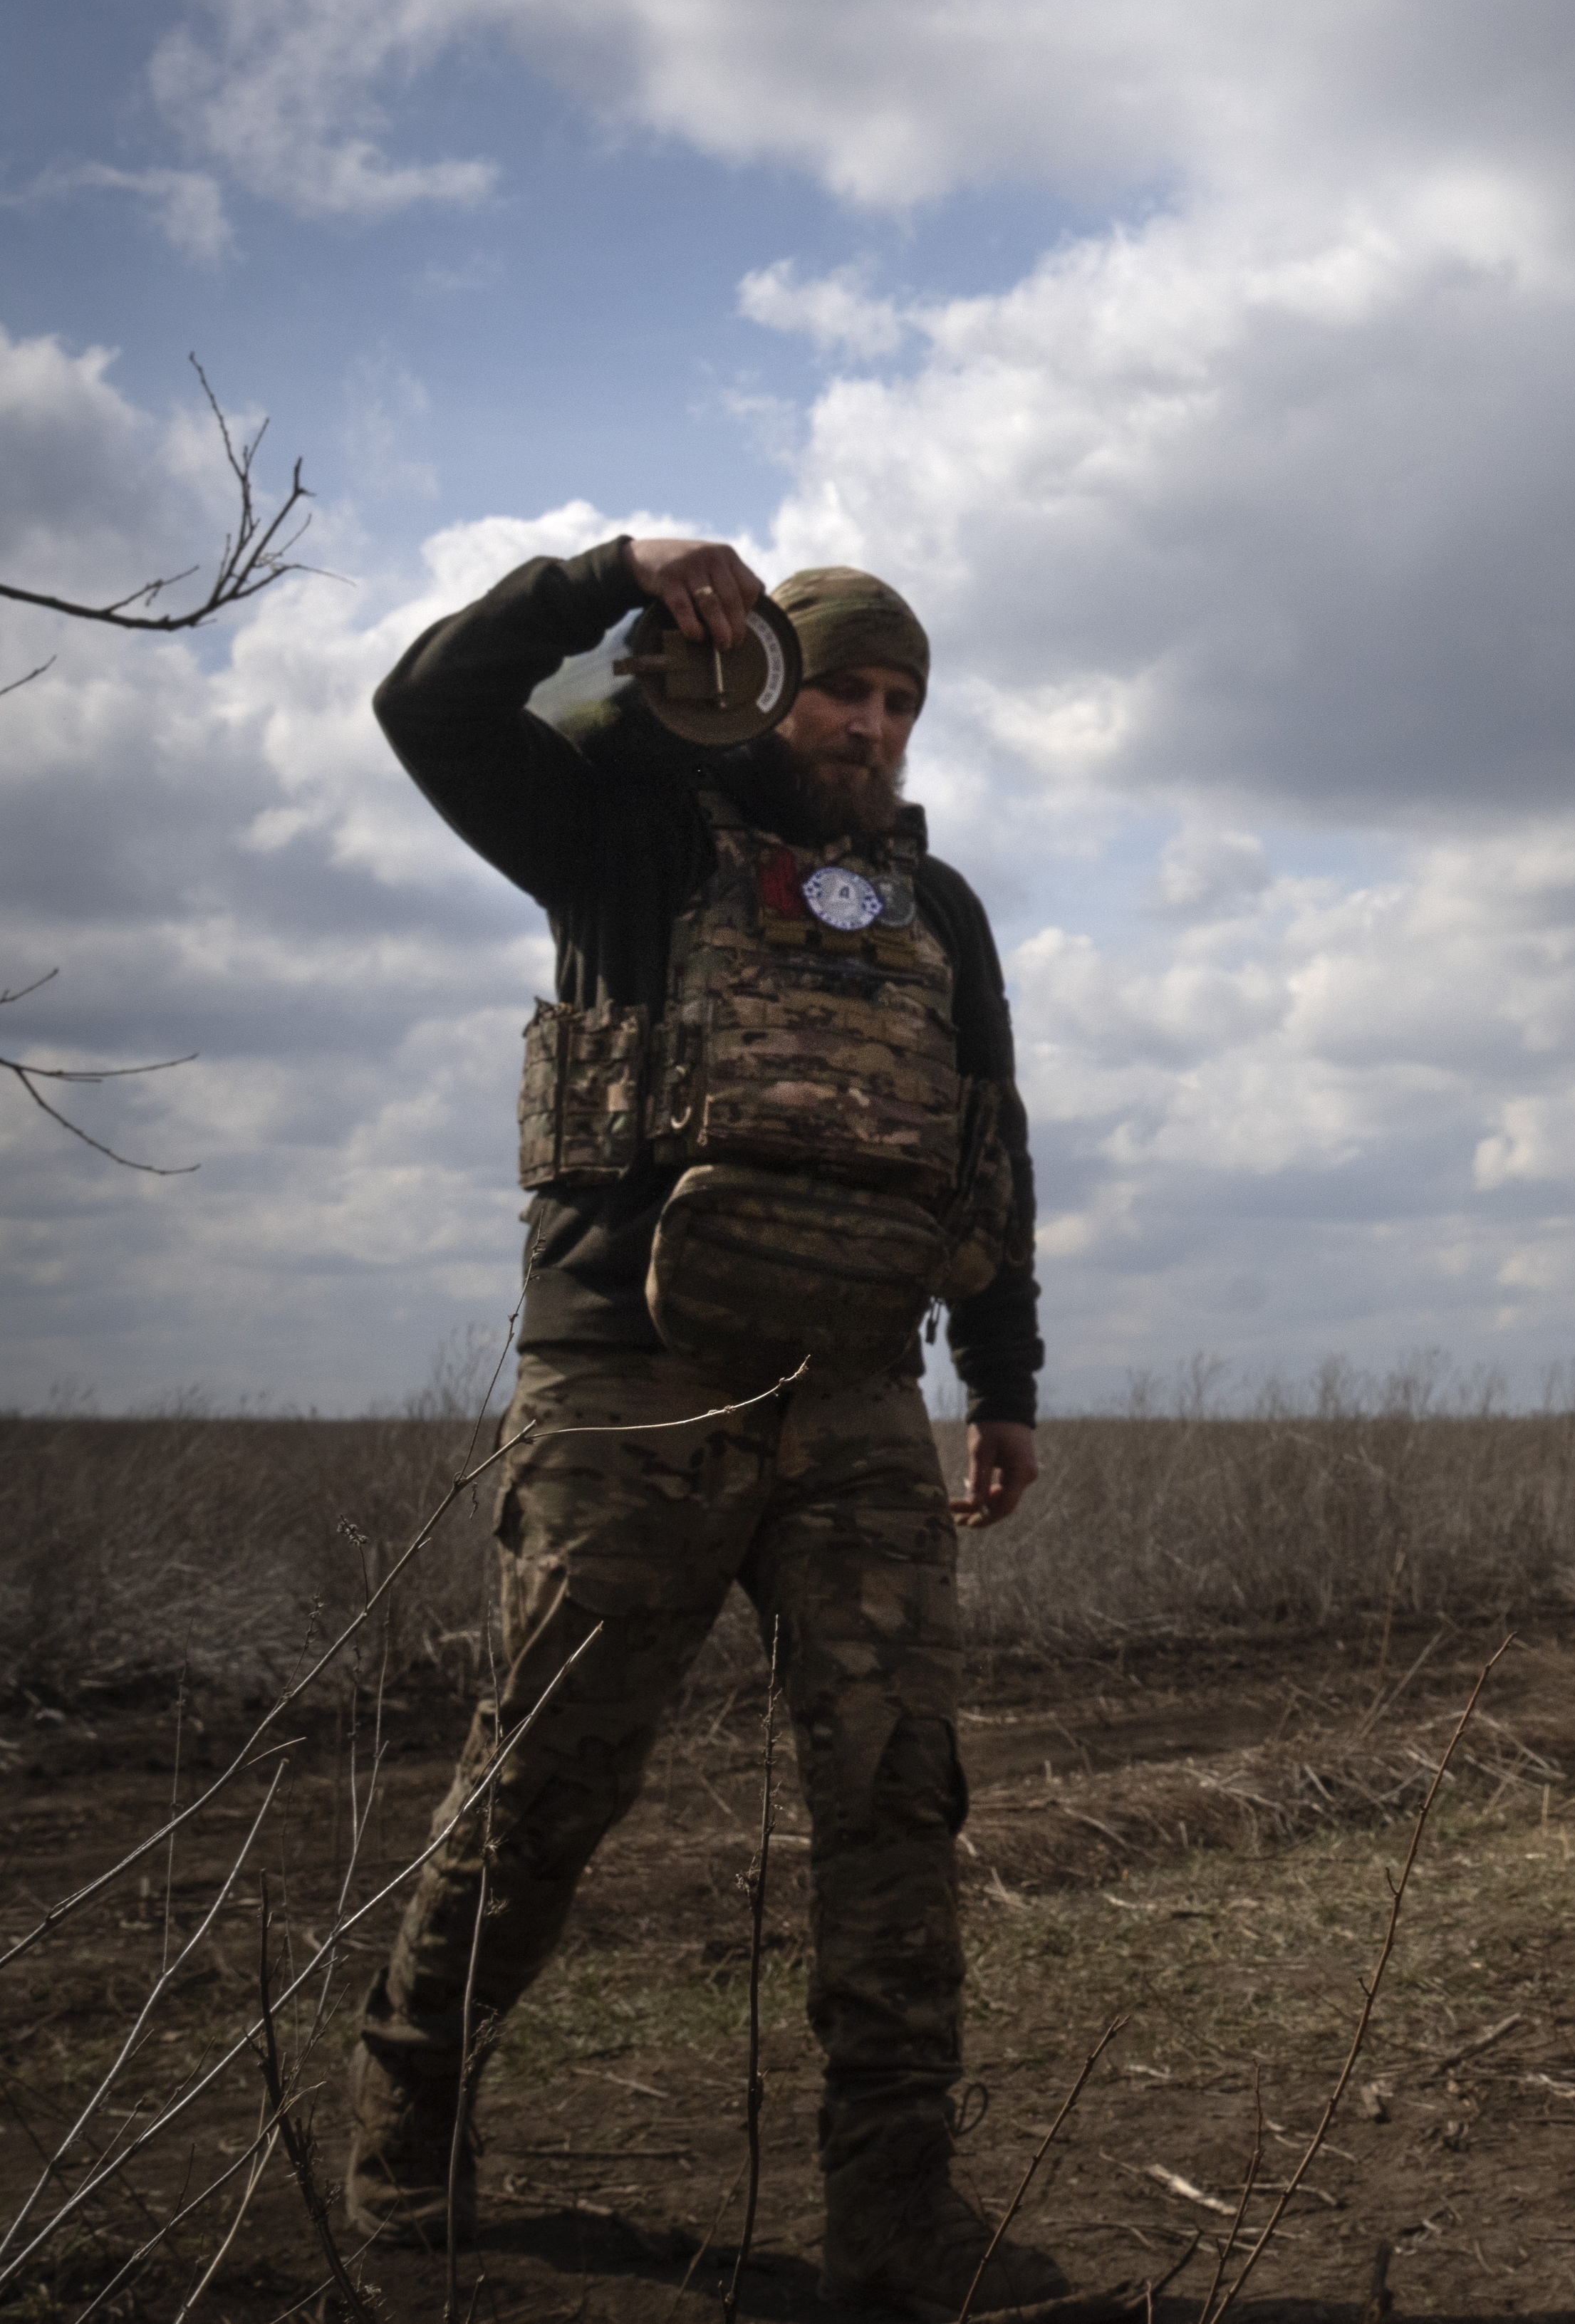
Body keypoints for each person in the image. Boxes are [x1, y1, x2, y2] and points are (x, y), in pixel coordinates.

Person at [355, 535, 1064, 2314]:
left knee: (897, 1794)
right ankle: (406, 2125)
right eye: (847, 686)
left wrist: (1005, 1381)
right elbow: (425, 701)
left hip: (855, 1392)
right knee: (547, 1779)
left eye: (904, 702)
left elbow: (988, 1140)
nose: (877, 725)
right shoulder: (627, 824)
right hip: (628, 1382)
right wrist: (611, 577)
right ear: (770, 674)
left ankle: (894, 2210)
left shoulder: (935, 904)